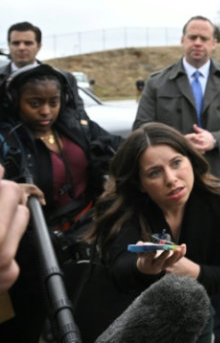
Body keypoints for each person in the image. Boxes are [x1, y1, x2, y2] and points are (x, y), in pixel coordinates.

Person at [134, 15, 220, 343]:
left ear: (214, 43)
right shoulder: (159, 83)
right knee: (174, 267)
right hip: (173, 195)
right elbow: (141, 128)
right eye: (192, 37)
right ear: (183, 40)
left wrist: (216, 139)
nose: (198, 43)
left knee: (218, 270)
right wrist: (177, 146)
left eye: (204, 38)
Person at [76, 122, 220, 343]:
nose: (171, 179)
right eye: (154, 172)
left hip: (194, 313)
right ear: (140, 183)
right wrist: (144, 268)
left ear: (191, 159)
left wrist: (192, 270)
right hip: (133, 318)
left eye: (177, 163)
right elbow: (120, 269)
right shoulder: (122, 208)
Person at [0, 63, 121, 341]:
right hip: (38, 247)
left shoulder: (75, 125)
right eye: (35, 103)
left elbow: (116, 146)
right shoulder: (8, 139)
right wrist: (14, 188)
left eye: (53, 102)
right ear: (14, 101)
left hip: (89, 233)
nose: (45, 111)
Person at [0, 21, 87, 118]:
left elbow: (79, 116)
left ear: (38, 46)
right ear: (9, 45)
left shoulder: (63, 79)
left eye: (28, 43)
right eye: (16, 43)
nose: (21, 47)